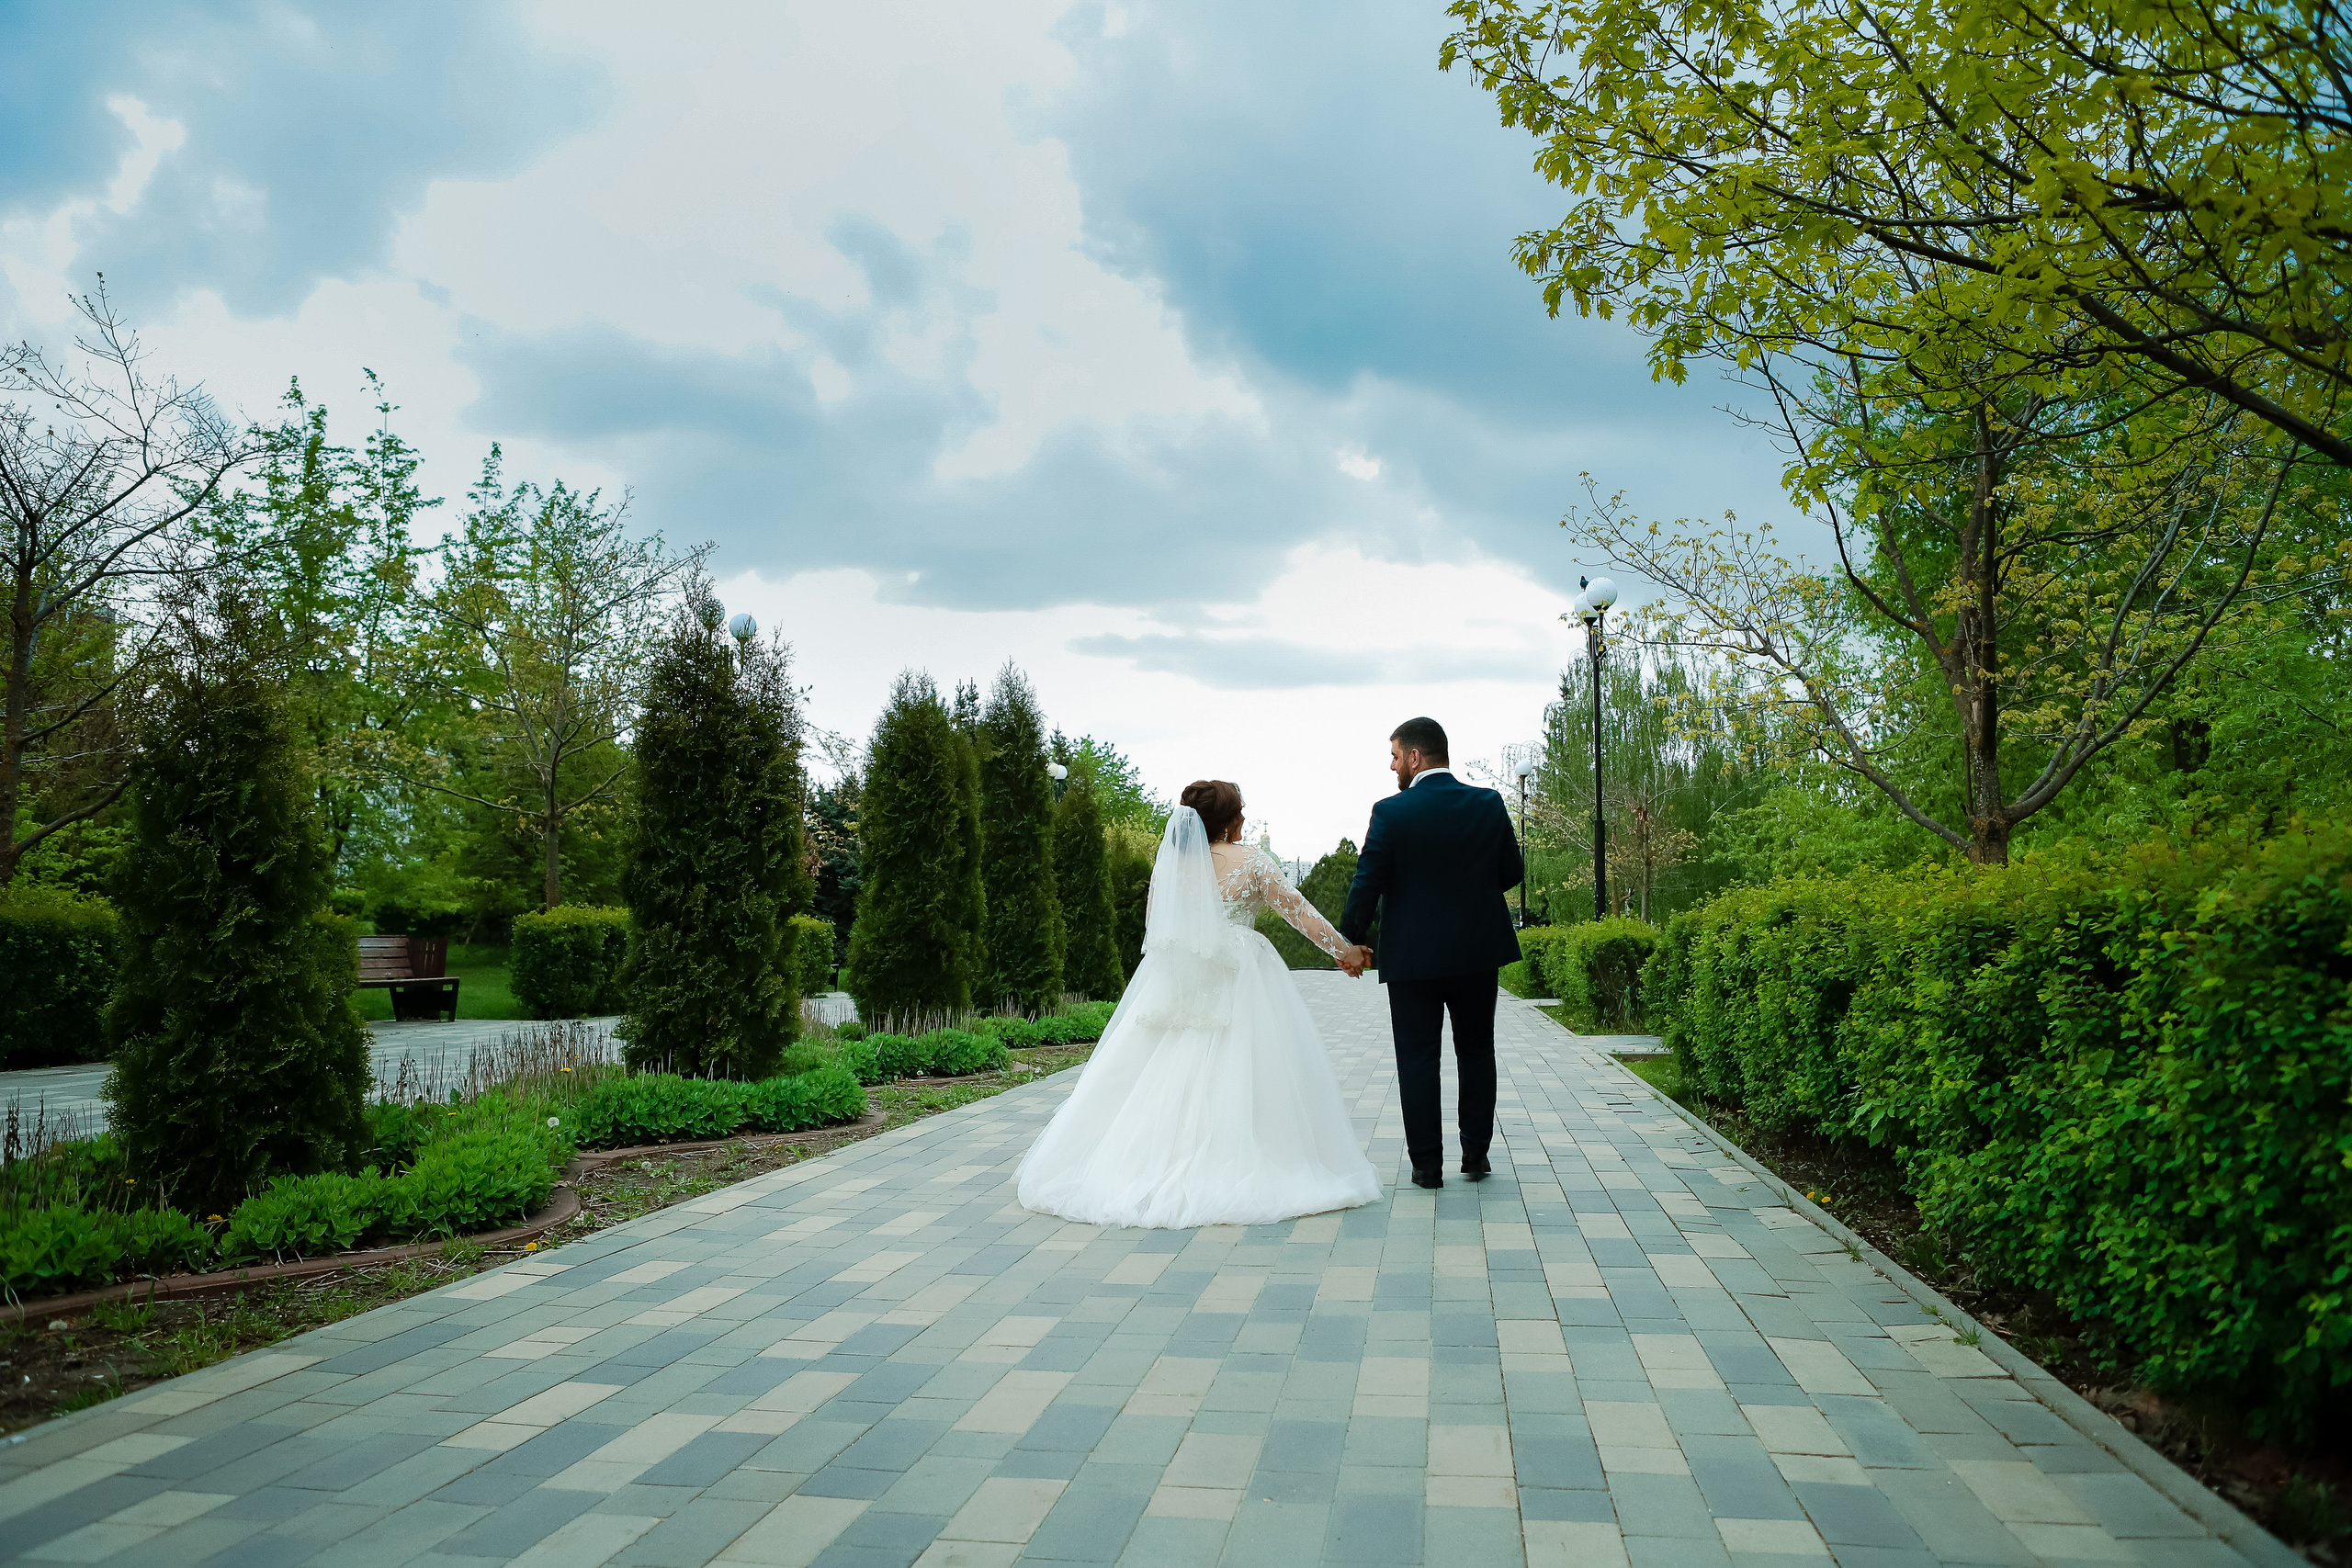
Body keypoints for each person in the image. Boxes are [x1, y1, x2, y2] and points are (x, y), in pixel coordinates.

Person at [1014, 780, 1381, 1228]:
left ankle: (1149, 1161)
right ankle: (1236, 1159)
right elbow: (1299, 913)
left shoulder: (1171, 866)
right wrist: (1346, 952)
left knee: (1168, 1064)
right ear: (1226, 822)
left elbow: (1156, 926)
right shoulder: (1252, 861)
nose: (1244, 819)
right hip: (1240, 972)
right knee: (1243, 1062)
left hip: (1182, 975)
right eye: (1240, 812)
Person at [1337, 717, 1523, 1190]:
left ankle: (1426, 1166)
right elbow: (1512, 871)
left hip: (1413, 958)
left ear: (1415, 757)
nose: (1392, 766)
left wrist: (1348, 941)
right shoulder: (1488, 802)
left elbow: (1367, 882)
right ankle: (1476, 1155)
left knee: (1417, 1057)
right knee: (1477, 1050)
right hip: (1477, 953)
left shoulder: (1391, 812)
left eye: (1395, 756)